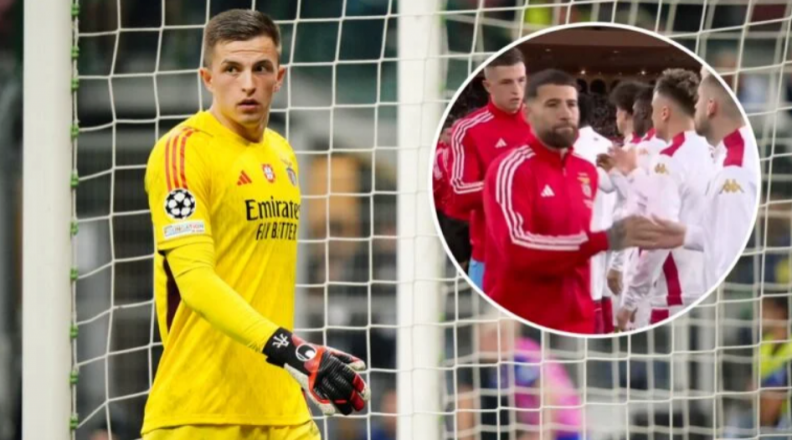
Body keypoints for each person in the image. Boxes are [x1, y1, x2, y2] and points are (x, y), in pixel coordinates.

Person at [142, 10, 369, 440]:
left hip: (284, 412)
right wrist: (296, 352)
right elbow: (196, 283)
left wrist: (300, 359)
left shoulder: (283, 153)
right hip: (200, 414)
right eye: (232, 69)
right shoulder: (182, 153)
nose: (247, 83)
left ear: (279, 77)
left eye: (261, 68)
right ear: (208, 78)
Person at [482, 69, 655, 334]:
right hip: (525, 319)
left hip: (577, 317)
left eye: (571, 104)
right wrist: (604, 239)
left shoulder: (585, 171)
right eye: (553, 104)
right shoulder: (509, 168)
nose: (565, 113)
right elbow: (514, 246)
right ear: (527, 114)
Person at [631, 72, 759, 289]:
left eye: (698, 99)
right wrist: (687, 235)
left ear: (711, 106)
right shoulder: (723, 154)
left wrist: (634, 292)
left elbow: (728, 257)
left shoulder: (734, 169)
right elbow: (722, 235)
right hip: (694, 282)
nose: (694, 106)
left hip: (678, 290)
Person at [615, 69, 715, 331]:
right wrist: (633, 173)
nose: (650, 117)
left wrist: (630, 299)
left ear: (664, 112)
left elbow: (658, 235)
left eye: (653, 109)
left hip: (675, 293)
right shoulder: (712, 151)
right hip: (708, 282)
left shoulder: (668, 159)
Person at [449, 48, 531, 290]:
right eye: (506, 82)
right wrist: (508, 184)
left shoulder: (544, 122)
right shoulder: (469, 129)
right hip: (490, 259)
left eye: (521, 80)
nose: (516, 90)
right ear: (488, 86)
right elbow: (459, 193)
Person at [456, 316, 584, 440]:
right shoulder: (499, 363)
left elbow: (549, 396)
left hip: (565, 429)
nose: (483, 343)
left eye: (491, 337)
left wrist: (539, 435)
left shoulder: (520, 356)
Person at [573, 94, 617, 333]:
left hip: (587, 236)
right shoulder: (609, 144)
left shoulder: (572, 149)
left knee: (591, 301)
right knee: (605, 296)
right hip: (612, 231)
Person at [434, 119, 472, 268]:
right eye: (450, 133)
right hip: (448, 211)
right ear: (441, 135)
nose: (454, 136)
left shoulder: (466, 151)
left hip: (465, 212)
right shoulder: (440, 154)